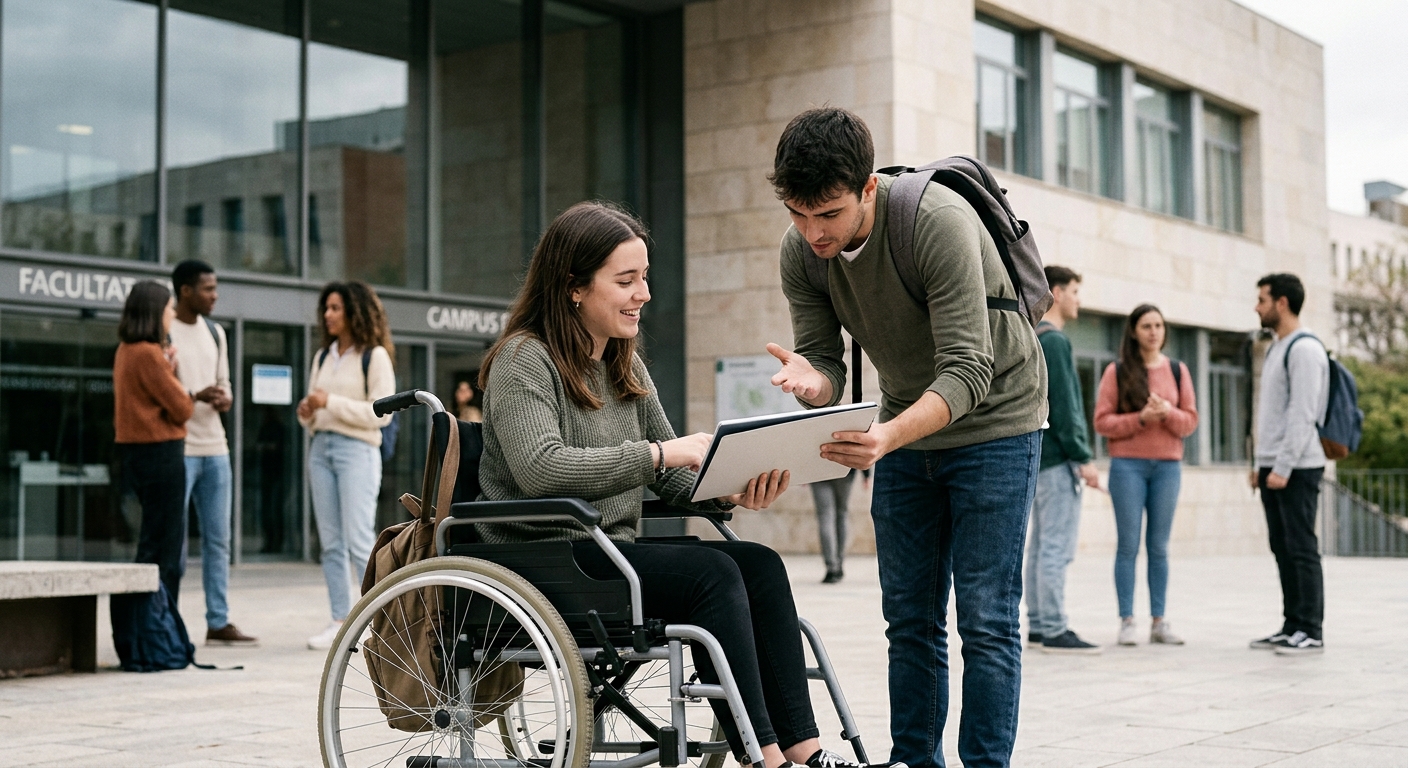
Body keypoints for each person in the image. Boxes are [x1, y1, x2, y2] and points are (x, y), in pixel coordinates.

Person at [479, 201, 890, 768]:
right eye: (626, 281)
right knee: (713, 572)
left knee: (760, 563)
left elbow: (672, 478)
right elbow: (541, 469)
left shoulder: (624, 364)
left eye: (644, 278)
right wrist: (655, 453)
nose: (643, 294)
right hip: (541, 559)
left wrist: (731, 487)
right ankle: (763, 757)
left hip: (605, 554)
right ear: (574, 287)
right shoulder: (523, 360)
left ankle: (806, 750)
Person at [767, 107, 1047, 768]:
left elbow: (968, 369)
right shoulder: (802, 252)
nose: (812, 233)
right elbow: (824, 361)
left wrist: (886, 435)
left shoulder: (934, 222)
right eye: (797, 214)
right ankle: (915, 761)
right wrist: (815, 383)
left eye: (828, 215)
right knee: (912, 623)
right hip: (902, 428)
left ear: (867, 189)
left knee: (985, 621)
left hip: (997, 419)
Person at [299, 280, 396, 651]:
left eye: (335, 308)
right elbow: (315, 411)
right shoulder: (323, 357)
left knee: (359, 540)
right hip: (320, 448)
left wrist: (329, 402)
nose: (328, 315)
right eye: (326, 308)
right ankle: (340, 619)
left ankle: (381, 621)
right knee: (330, 543)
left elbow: (381, 413)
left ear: (354, 311)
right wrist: (307, 413)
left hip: (357, 450)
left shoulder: (375, 356)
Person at [1093, 304, 1197, 647]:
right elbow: (1102, 422)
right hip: (1128, 467)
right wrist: (1140, 418)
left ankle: (1159, 621)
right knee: (1127, 545)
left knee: (1159, 546)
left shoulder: (1179, 371)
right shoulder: (1117, 371)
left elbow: (1190, 422)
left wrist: (1167, 413)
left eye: (1158, 325)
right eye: (1146, 326)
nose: (1154, 331)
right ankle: (1126, 620)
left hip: (1167, 466)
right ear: (1134, 331)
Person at [168, 260, 257, 647]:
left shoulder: (215, 332)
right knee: (173, 540)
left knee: (218, 540)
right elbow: (161, 390)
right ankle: (166, 617)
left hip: (215, 448)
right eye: (208, 289)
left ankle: (217, 622)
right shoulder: (164, 327)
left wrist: (222, 396)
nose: (215, 295)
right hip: (179, 447)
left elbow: (226, 385)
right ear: (186, 291)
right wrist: (193, 396)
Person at [1248, 273, 1329, 655]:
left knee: (1301, 547)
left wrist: (1282, 466)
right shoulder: (1277, 347)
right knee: (1282, 546)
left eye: (1262, 299)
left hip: (1297, 465)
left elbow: (1302, 413)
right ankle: (1291, 623)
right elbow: (1271, 413)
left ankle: (1310, 628)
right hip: (1273, 464)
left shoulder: (1305, 349)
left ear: (1281, 303)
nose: (1256, 306)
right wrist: (1259, 463)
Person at [1027, 266, 1101, 654]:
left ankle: (1039, 624)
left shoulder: (1035, 336)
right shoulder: (1054, 342)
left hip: (1039, 457)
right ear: (1056, 291)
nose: (1078, 299)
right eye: (1074, 290)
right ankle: (1054, 627)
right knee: (1055, 546)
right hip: (1058, 460)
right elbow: (1067, 406)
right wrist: (1083, 457)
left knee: (1041, 545)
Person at [114, 280, 194, 603]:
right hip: (162, 455)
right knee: (165, 548)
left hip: (134, 454)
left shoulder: (124, 351)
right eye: (168, 308)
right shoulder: (148, 354)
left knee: (149, 543)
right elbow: (183, 408)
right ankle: (162, 630)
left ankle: (150, 631)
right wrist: (172, 371)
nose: (172, 314)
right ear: (155, 312)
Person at [810, 469, 868, 584]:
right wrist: (866, 474)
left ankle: (832, 567)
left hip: (817, 470)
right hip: (845, 468)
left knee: (825, 516)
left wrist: (803, 472)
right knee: (842, 514)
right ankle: (839, 563)